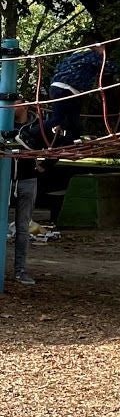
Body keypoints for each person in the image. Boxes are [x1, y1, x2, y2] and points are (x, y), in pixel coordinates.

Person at [41, 43, 120, 145]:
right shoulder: (91, 54)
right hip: (67, 90)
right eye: (103, 48)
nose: (103, 52)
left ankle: (71, 142)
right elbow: (105, 66)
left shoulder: (74, 55)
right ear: (97, 46)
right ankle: (31, 132)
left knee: (69, 121)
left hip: (57, 87)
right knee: (62, 120)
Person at [6, 108, 42, 286]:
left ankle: (20, 270)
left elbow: (47, 145)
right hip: (5, 179)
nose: (12, 106)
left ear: (25, 105)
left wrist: (45, 166)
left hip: (27, 179)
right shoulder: (5, 123)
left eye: (16, 103)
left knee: (23, 227)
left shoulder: (36, 125)